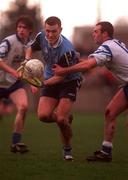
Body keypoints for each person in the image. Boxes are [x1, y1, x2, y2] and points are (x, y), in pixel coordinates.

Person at [53, 21, 128, 162]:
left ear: (105, 34)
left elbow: (88, 65)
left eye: (96, 31)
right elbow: (91, 62)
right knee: (110, 112)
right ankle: (106, 152)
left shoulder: (107, 47)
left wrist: (64, 70)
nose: (93, 34)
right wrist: (76, 60)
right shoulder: (112, 45)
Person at [25, 16, 82, 160]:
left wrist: (41, 83)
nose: (50, 35)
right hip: (51, 78)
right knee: (43, 116)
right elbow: (30, 48)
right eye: (48, 31)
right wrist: (27, 61)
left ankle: (67, 149)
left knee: (61, 120)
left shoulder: (67, 50)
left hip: (69, 80)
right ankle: (66, 118)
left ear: (60, 30)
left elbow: (61, 77)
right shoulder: (41, 36)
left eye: (54, 32)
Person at [0, 16, 33, 153]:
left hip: (14, 84)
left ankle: (15, 143)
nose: (21, 30)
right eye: (19, 27)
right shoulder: (8, 42)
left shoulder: (30, 45)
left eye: (24, 27)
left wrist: (33, 82)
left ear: (30, 30)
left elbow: (29, 67)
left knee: (23, 107)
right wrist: (13, 72)